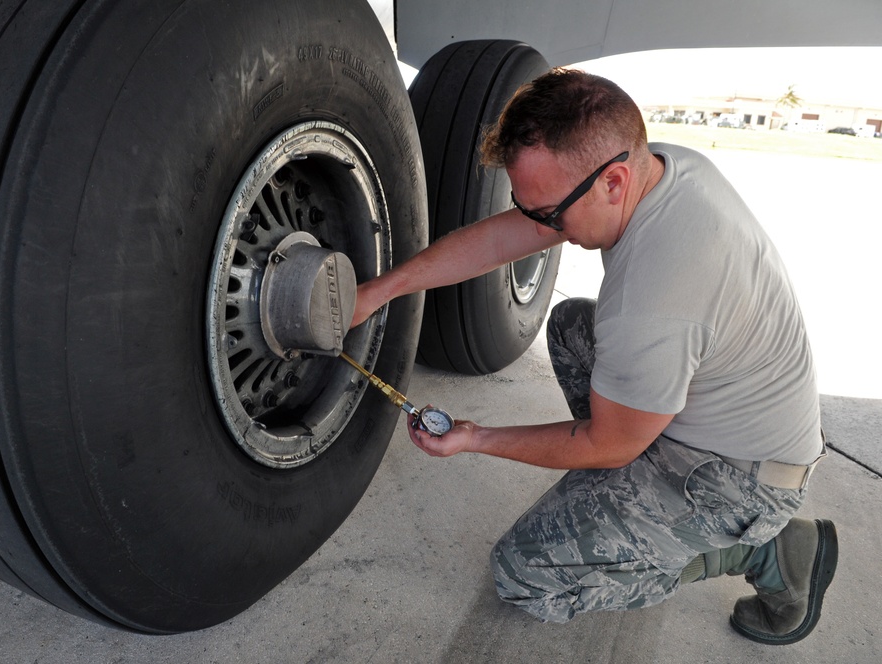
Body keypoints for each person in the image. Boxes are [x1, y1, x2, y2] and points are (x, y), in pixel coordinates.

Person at [351, 68, 836, 645]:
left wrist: (475, 438)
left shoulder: (654, 298)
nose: (540, 227)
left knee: (524, 575)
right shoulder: (660, 167)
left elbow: (607, 444)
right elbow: (506, 236)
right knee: (572, 325)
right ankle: (638, 493)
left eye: (550, 213)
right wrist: (379, 291)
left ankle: (763, 553)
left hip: (740, 479)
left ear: (612, 180)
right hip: (714, 417)